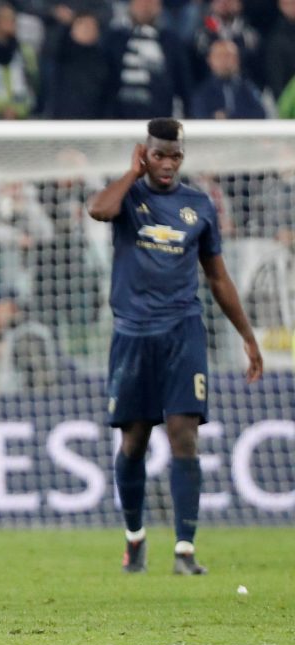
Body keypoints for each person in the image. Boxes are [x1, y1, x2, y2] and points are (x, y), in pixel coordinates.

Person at [86, 118, 263, 576]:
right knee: (135, 440)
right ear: (145, 153)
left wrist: (247, 336)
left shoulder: (198, 205)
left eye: (175, 156)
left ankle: (185, 550)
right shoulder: (128, 198)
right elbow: (98, 210)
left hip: (183, 330)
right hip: (132, 333)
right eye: (159, 155)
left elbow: (218, 276)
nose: (167, 164)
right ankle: (134, 538)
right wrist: (130, 174)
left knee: (184, 434)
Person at [190, 39, 267, 119]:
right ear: (210, 60)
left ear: (237, 59)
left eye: (228, 56)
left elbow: (261, 113)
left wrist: (229, 117)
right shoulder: (202, 92)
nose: (224, 61)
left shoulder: (248, 88)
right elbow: (199, 115)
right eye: (219, 56)